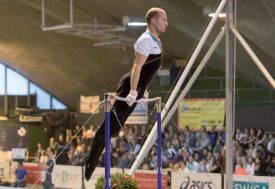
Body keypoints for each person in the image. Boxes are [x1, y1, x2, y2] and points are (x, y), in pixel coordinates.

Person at [85, 7, 168, 180]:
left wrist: (142, 89)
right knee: (109, 127)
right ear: (153, 20)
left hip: (137, 87)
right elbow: (136, 67)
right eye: (163, 19)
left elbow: (147, 69)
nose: (166, 23)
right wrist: (132, 91)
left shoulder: (156, 40)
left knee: (114, 128)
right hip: (130, 87)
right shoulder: (145, 40)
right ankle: (90, 163)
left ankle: (92, 159)